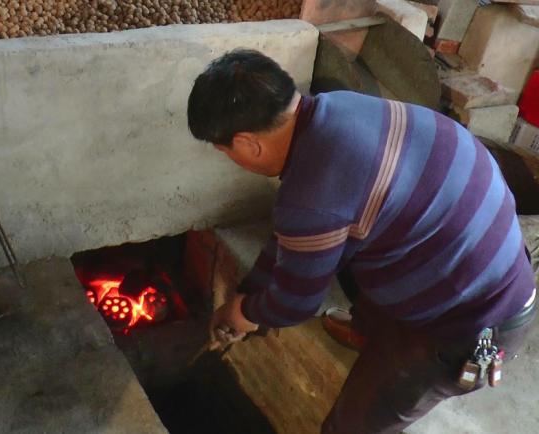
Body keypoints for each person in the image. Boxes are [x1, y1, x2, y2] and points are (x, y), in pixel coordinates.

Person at [187, 49, 537, 434]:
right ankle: (372, 329)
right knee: (355, 243)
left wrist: (244, 313)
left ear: (248, 143)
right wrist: (251, 289)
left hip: (475, 321)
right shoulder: (337, 108)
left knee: (352, 426)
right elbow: (296, 238)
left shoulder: (314, 194)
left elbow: (295, 303)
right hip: (474, 258)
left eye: (226, 152)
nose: (232, 160)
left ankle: (392, 353)